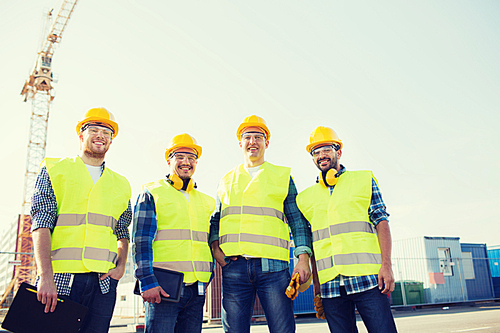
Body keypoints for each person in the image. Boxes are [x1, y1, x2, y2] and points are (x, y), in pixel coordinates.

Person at [30, 107, 132, 333]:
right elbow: (41, 223)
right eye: (94, 130)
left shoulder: (121, 184)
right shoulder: (55, 169)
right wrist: (45, 276)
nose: (101, 136)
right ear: (81, 135)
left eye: (107, 133)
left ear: (111, 141)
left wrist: (121, 266)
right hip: (61, 279)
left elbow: (122, 230)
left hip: (103, 284)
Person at [209, 115, 312, 333]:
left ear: (267, 142)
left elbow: (297, 221)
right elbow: (215, 220)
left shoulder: (282, 176)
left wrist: (303, 259)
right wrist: (215, 249)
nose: (253, 142)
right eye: (248, 137)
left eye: (259, 137)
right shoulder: (226, 180)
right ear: (240, 143)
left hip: (273, 268)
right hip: (234, 268)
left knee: (282, 330)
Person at [296, 126, 398, 333]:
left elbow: (382, 222)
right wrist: (317, 288)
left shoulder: (364, 180)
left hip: (368, 279)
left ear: (338, 152)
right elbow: (314, 244)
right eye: (315, 152)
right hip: (330, 286)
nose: (321, 155)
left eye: (326, 149)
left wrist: (386, 266)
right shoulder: (305, 198)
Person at [133, 133, 215, 333]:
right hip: (163, 290)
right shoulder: (152, 193)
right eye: (180, 156)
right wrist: (147, 281)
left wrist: (207, 277)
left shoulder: (206, 201)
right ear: (169, 160)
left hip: (196, 290)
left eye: (191, 157)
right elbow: (141, 241)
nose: (186, 162)